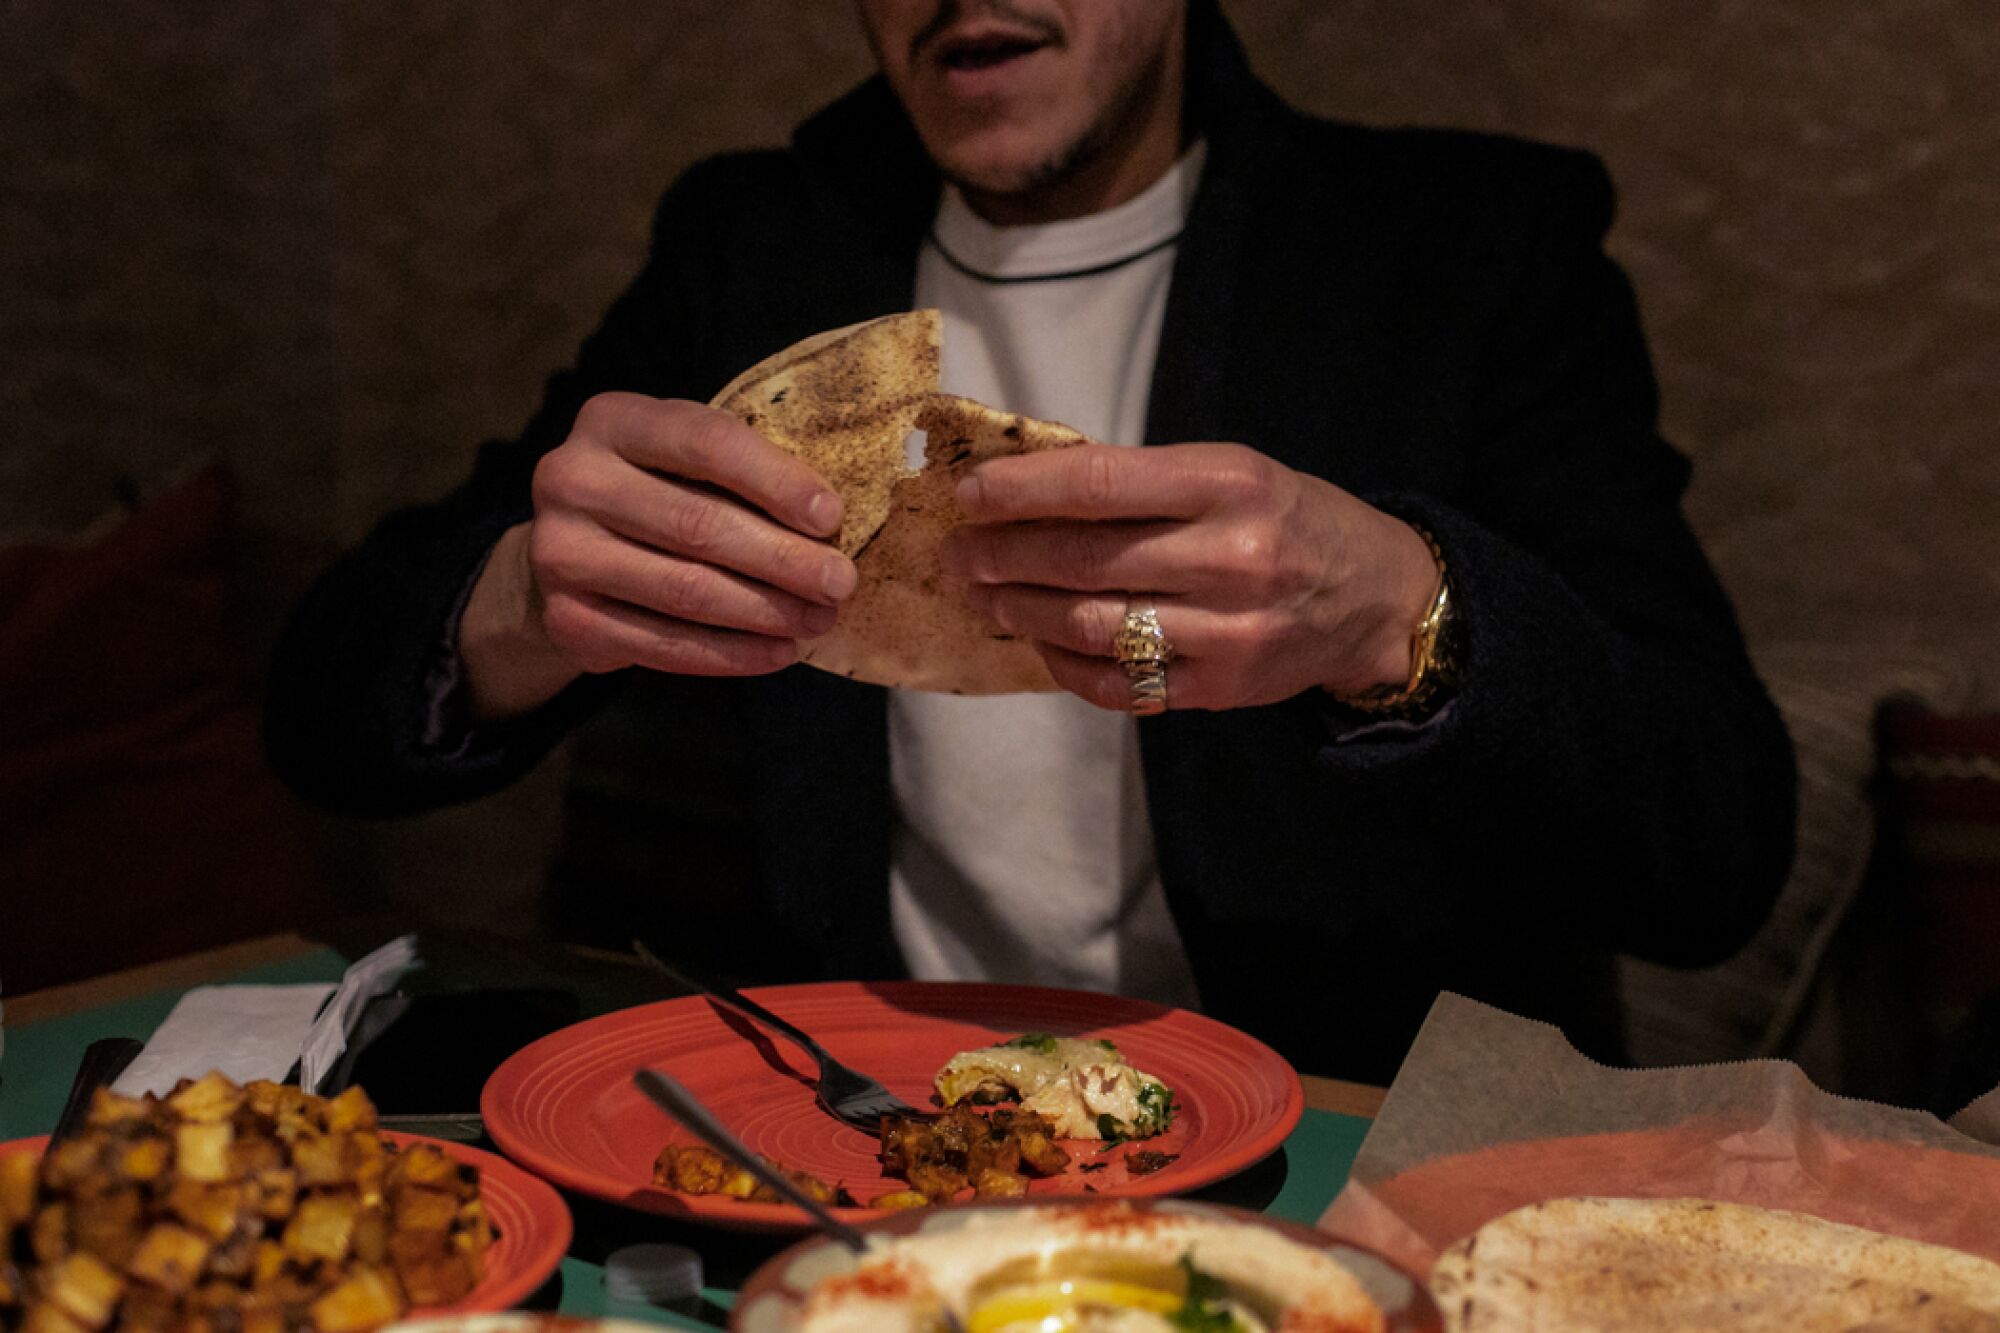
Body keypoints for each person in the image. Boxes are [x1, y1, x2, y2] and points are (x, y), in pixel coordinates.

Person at [266, 0, 1797, 1081]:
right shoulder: (754, 248)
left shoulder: (1466, 251)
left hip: (1326, 1154)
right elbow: (325, 712)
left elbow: (1717, 853)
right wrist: (527, 596)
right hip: (840, 1134)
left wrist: (1406, 613)